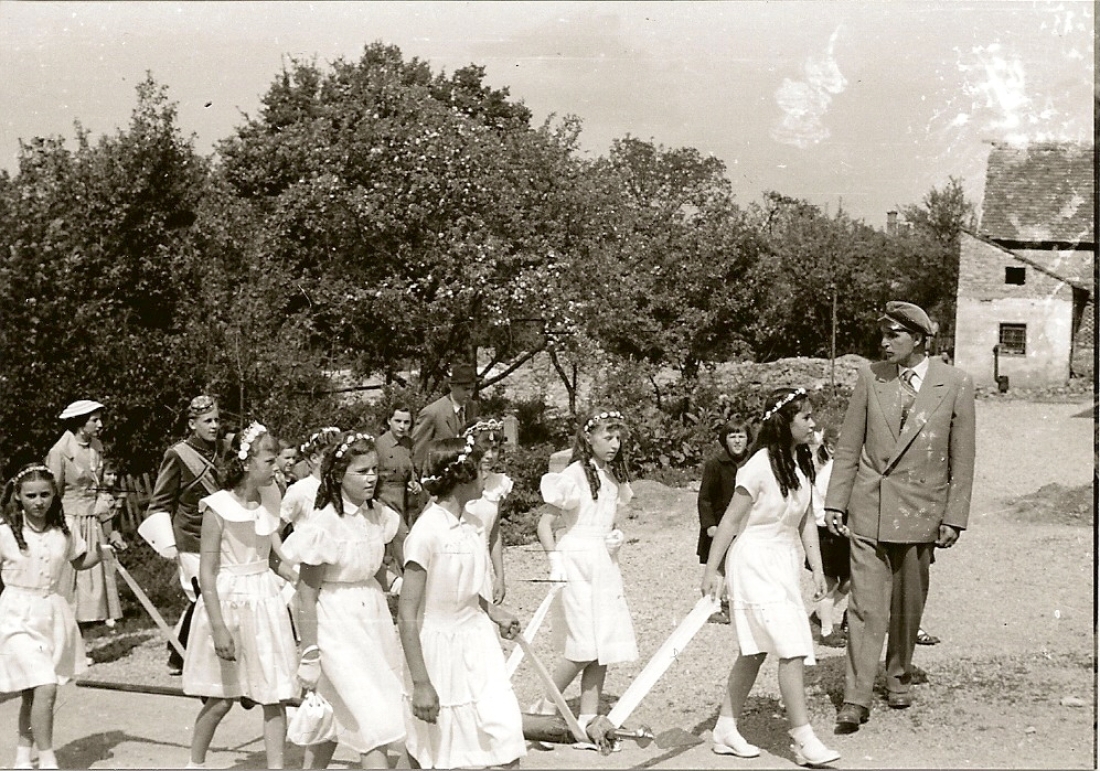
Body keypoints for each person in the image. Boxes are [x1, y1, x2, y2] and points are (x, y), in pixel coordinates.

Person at [825, 301, 975, 732]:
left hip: (921, 510)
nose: (884, 342)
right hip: (870, 507)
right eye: (883, 334)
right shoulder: (870, 377)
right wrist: (836, 501)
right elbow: (849, 446)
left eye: (894, 335)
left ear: (919, 339)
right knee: (864, 607)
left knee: (908, 605)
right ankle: (855, 697)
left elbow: (962, 458)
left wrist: (954, 516)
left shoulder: (956, 382)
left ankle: (898, 675)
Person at [701, 388, 839, 767]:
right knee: (792, 646)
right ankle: (804, 738)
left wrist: (818, 571)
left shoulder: (803, 461)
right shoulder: (759, 465)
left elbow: (806, 521)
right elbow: (730, 521)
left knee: (755, 650)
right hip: (754, 560)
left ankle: (724, 729)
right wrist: (712, 571)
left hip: (783, 562)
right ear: (784, 422)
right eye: (805, 417)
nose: (813, 424)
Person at [398, 436, 526, 769]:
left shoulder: (474, 524)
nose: (487, 476)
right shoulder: (426, 532)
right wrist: (421, 682)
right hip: (439, 650)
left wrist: (493, 612)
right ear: (461, 478)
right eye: (480, 470)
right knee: (433, 749)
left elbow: (464, 589)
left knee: (506, 733)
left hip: (479, 644)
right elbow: (407, 613)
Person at [284, 431, 409, 769]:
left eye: (374, 470)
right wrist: (310, 653)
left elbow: (372, 567)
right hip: (337, 625)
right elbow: (306, 594)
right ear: (339, 475)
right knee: (373, 721)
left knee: (335, 713)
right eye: (362, 471)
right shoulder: (325, 523)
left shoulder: (377, 514)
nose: (371, 478)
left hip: (373, 618)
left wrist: (398, 584)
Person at [182, 422, 298, 769]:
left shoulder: (271, 499)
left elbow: (271, 558)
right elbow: (207, 571)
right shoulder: (218, 507)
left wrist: (298, 578)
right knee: (222, 698)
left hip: (264, 600)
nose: (276, 468)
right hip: (229, 601)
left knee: (274, 694)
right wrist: (218, 628)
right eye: (269, 461)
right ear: (247, 463)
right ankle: (195, 764)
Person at [533, 409, 637, 741]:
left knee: (601, 641)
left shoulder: (614, 477)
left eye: (618, 438)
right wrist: (554, 560)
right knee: (582, 645)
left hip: (602, 563)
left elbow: (607, 519)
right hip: (576, 562)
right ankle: (545, 705)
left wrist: (614, 537)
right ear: (588, 438)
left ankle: (588, 719)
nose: (614, 444)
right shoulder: (574, 474)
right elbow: (545, 524)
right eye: (608, 437)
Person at [0, 465, 106, 769]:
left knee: (33, 692)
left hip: (52, 616)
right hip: (16, 616)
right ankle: (48, 760)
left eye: (45, 494)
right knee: (46, 686)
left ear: (54, 495)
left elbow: (79, 560)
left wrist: (102, 552)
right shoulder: (4, 532)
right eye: (31, 495)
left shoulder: (64, 529)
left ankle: (23, 756)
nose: (38, 502)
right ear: (18, 496)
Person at [138, 395, 225, 675]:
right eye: (207, 421)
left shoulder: (223, 450)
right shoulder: (178, 454)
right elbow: (160, 501)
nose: (214, 426)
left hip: (221, 534)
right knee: (201, 595)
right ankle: (180, 655)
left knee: (215, 595)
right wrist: (165, 540)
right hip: (191, 536)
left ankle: (187, 652)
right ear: (192, 424)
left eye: (217, 420)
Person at [697, 418, 753, 624]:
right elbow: (704, 498)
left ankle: (735, 602)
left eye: (741, 436)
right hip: (721, 524)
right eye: (732, 436)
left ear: (748, 439)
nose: (737, 441)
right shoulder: (715, 465)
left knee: (743, 564)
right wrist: (710, 525)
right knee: (719, 566)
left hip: (747, 523)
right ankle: (713, 606)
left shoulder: (753, 463)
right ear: (725, 440)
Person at [463, 418, 512, 604]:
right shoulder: (457, 483)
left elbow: (494, 533)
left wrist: (499, 576)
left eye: (495, 449)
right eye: (484, 449)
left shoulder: (498, 484)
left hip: (481, 564)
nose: (490, 456)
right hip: (457, 562)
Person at [807, 426, 848, 647]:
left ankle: (820, 614)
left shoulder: (845, 470)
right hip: (827, 531)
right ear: (831, 448)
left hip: (842, 530)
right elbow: (829, 506)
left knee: (850, 581)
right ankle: (826, 631)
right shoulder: (829, 473)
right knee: (830, 582)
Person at [411, 363, 480, 472]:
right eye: (465, 389)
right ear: (451, 386)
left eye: (472, 389)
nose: (470, 394)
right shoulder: (432, 413)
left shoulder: (473, 408)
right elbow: (418, 453)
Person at [280, 427, 341, 530]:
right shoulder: (300, 489)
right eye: (328, 454)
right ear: (314, 458)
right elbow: (278, 528)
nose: (335, 459)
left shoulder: (343, 487)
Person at [375, 407, 422, 526]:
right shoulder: (379, 444)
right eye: (398, 421)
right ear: (389, 421)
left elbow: (413, 470)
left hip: (406, 501)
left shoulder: (410, 444)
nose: (402, 426)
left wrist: (415, 483)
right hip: (384, 500)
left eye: (406, 422)